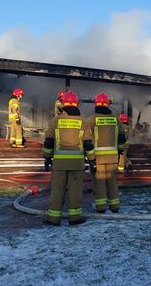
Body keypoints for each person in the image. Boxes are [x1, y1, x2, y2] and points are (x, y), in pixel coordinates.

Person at [42, 91, 88, 226]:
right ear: (77, 104)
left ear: (63, 104)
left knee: (57, 190)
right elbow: (88, 144)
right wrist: (92, 159)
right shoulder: (83, 122)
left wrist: (47, 157)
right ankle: (74, 218)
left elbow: (49, 141)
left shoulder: (55, 121)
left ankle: (54, 219)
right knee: (75, 191)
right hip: (77, 163)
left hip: (60, 163)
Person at [84, 93, 126, 213]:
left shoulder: (91, 120)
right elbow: (122, 137)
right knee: (112, 182)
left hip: (98, 159)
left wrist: (91, 158)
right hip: (112, 158)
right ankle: (115, 206)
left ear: (95, 104)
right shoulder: (116, 119)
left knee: (99, 184)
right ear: (108, 104)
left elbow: (87, 141)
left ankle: (101, 207)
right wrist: (119, 151)